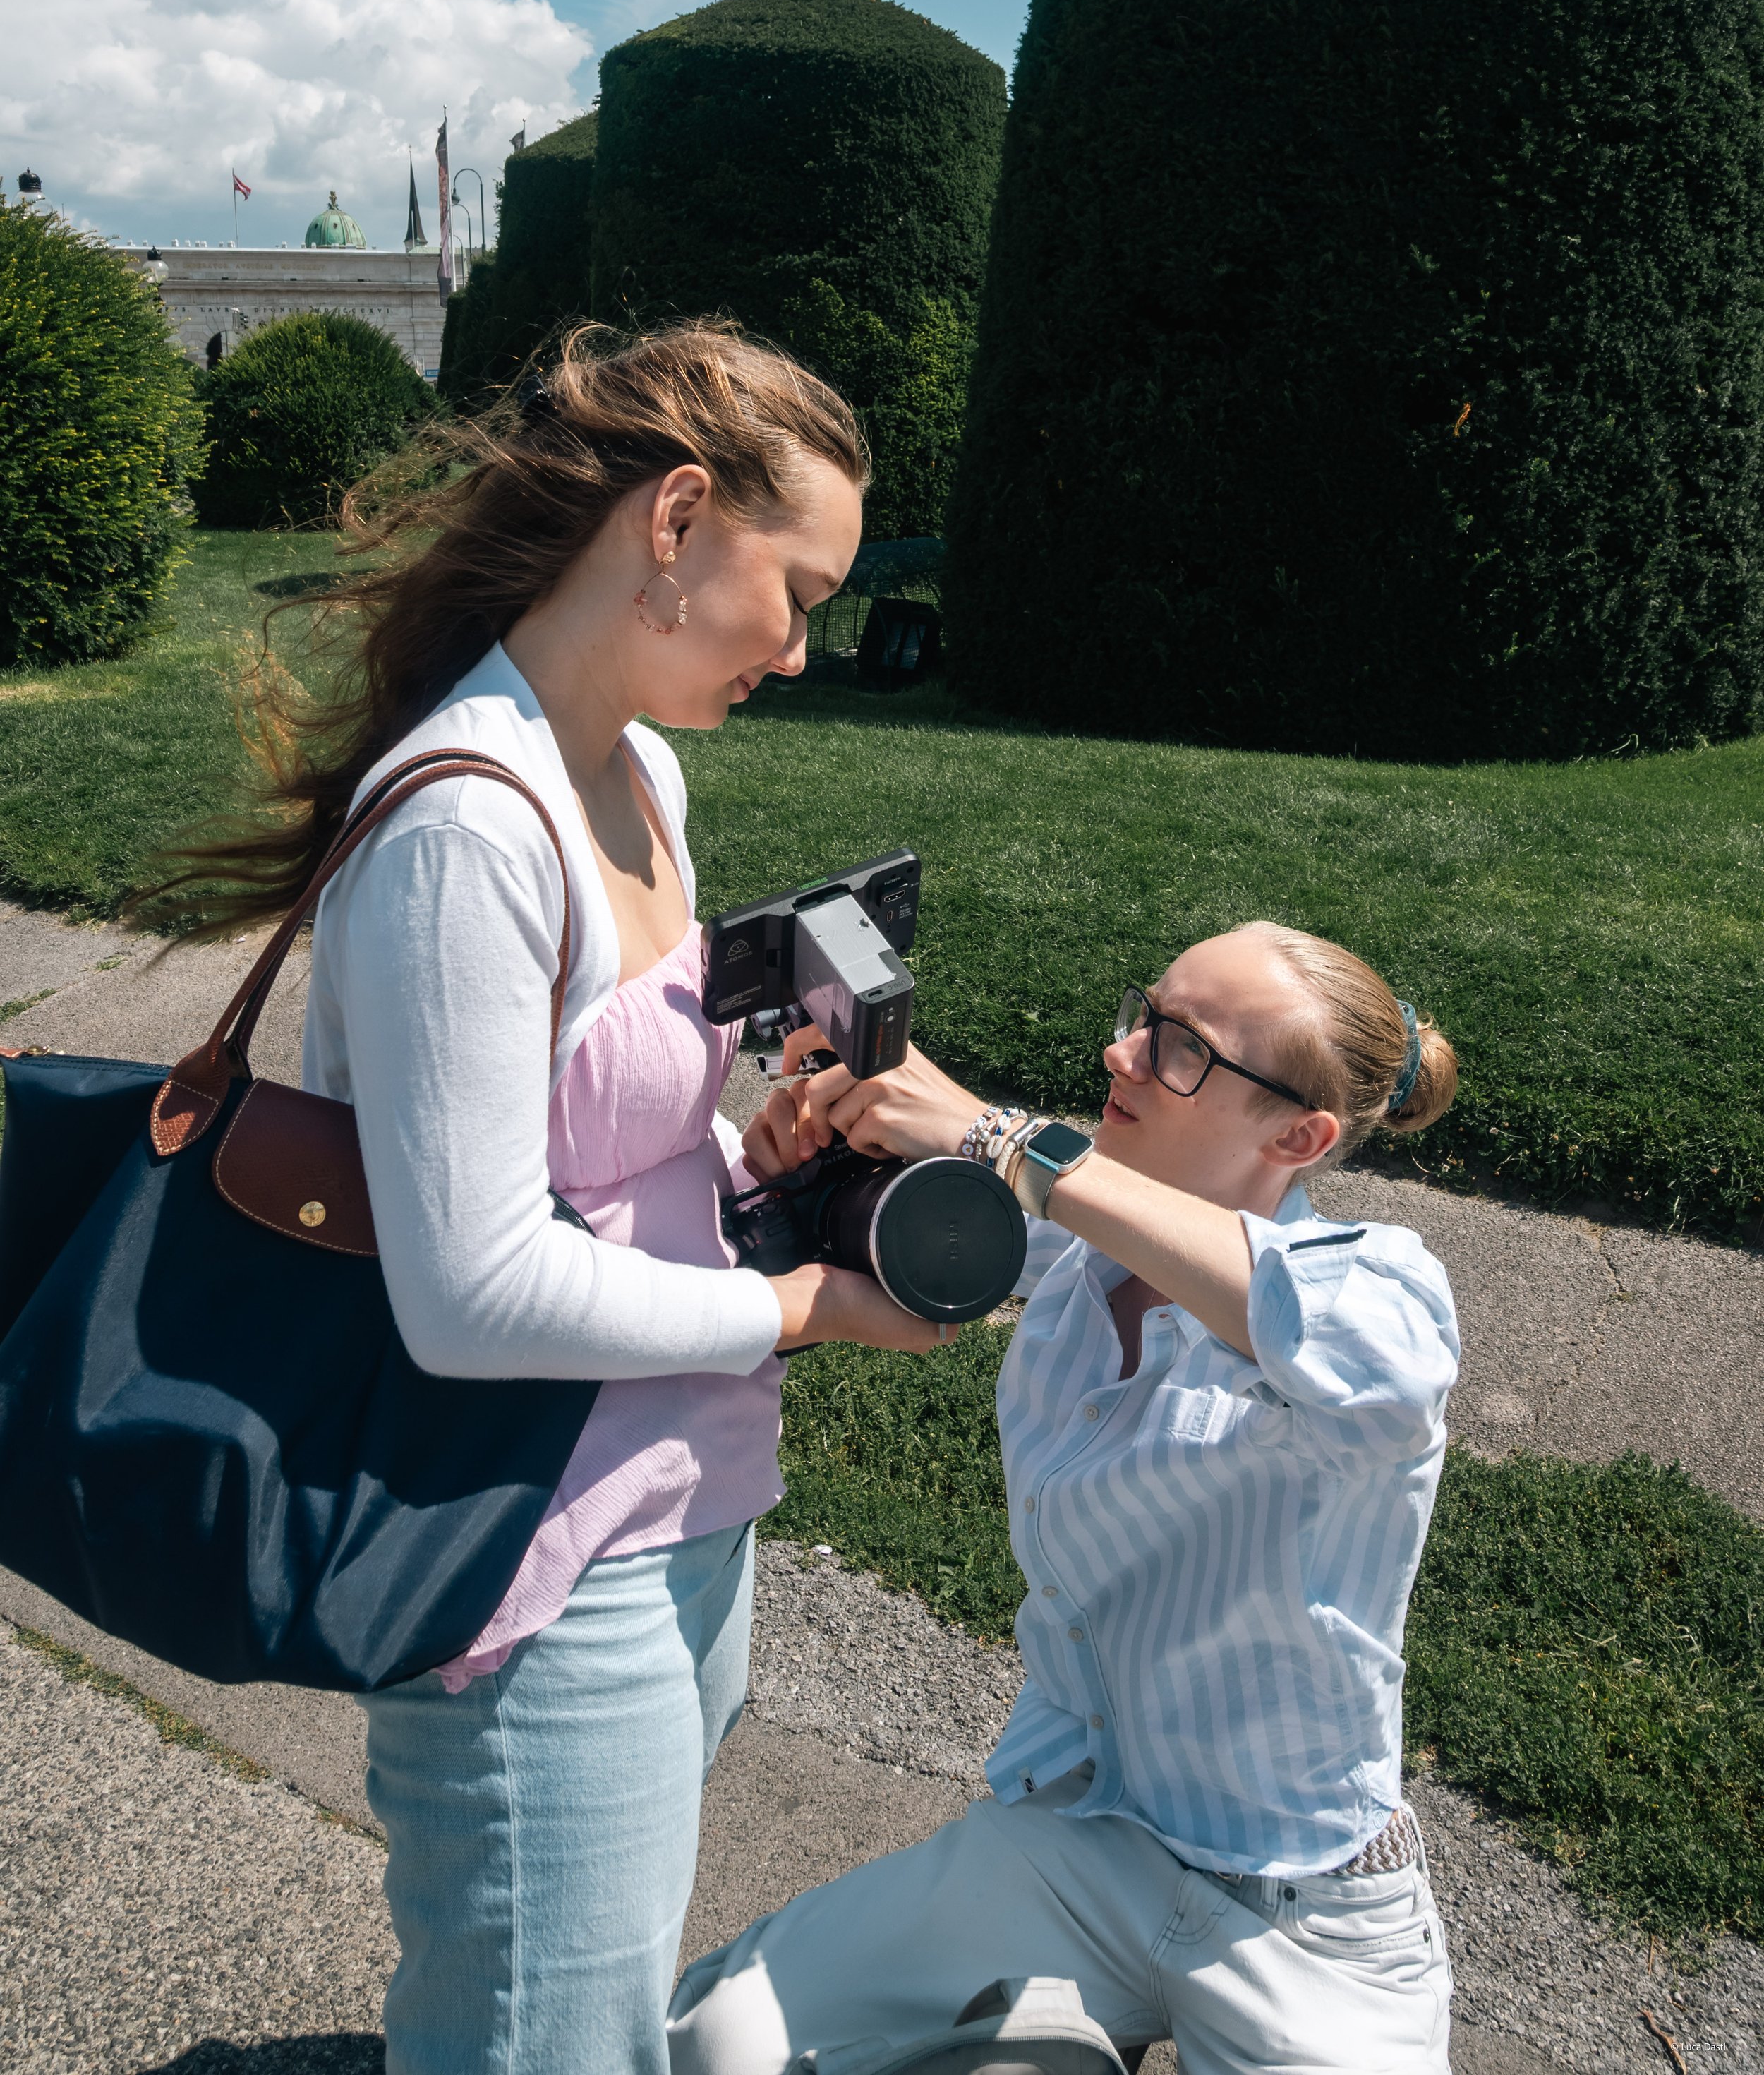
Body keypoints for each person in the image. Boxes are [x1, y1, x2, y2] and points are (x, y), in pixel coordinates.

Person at [148, 325, 950, 2075]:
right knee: (546, 2045)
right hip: (524, 1546)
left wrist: (758, 1148)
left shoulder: (639, 773)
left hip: (684, 1486)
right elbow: (472, 1292)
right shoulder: (469, 831)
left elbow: (611, 1144)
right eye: (795, 591)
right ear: (677, 520)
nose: (804, 650)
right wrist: (807, 1306)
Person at [669, 922, 1463, 2075]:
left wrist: (994, 1134)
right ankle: (1041, 2047)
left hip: (1306, 1912)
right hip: (1084, 1837)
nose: (1120, 1052)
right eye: (1146, 1014)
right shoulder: (1075, 1254)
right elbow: (897, 1223)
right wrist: (812, 1156)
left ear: (1301, 1135)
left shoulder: (1377, 1292)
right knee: (718, 2040)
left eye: (1182, 1049)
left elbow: (1349, 1344)